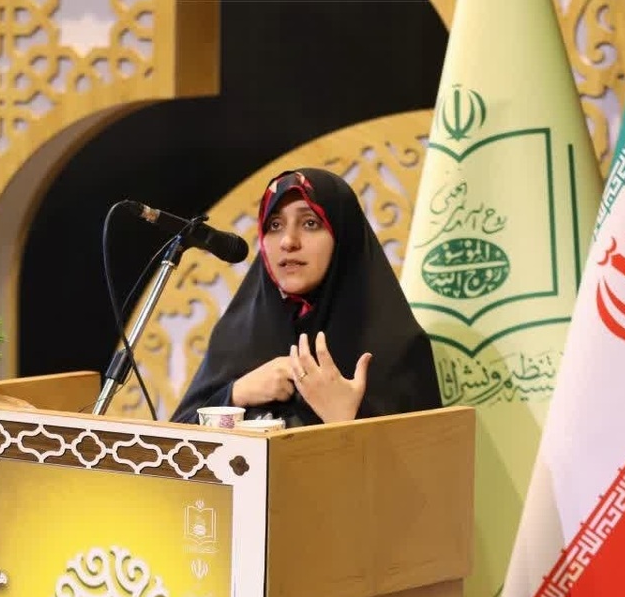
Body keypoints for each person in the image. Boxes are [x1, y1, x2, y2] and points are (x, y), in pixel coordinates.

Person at [171, 167, 442, 427]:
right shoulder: (238, 334)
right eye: (275, 225)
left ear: (343, 236)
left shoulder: (395, 345)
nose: (288, 241)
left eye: (310, 223)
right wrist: (236, 394)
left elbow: (427, 455)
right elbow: (173, 443)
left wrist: (344, 419)